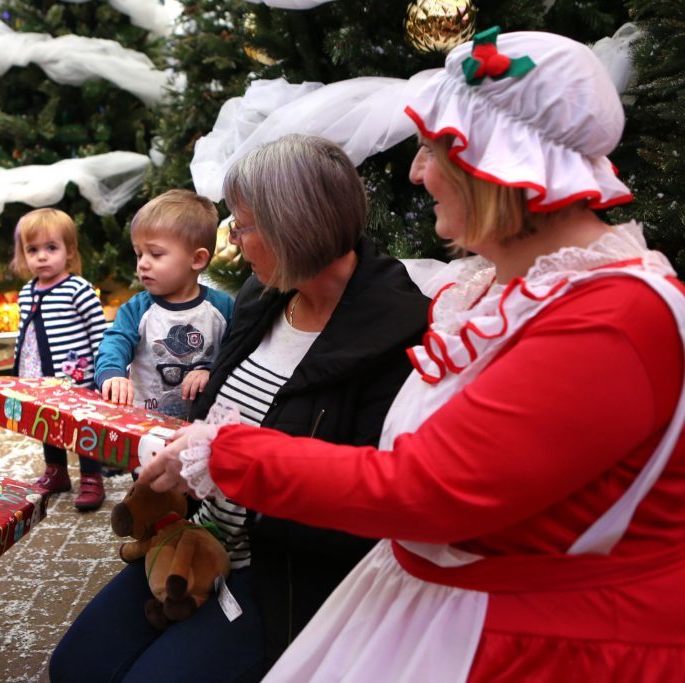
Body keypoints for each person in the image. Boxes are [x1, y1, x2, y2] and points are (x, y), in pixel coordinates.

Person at [141, 28, 685, 681]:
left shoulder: (607, 320)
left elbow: (427, 488)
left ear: (496, 161)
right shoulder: (508, 296)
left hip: (538, 643)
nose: (416, 171)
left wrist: (223, 452)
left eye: (433, 148)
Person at [50, 134, 429, 681]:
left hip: (283, 575)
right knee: (76, 666)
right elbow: (213, 419)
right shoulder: (263, 297)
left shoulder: (393, 339)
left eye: (243, 226)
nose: (236, 242)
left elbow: (367, 512)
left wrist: (230, 470)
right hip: (196, 538)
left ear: (292, 225)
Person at [95, 189, 234, 420]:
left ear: (197, 259)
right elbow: (115, 342)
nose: (143, 265)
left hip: (201, 427)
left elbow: (235, 353)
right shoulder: (137, 309)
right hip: (144, 423)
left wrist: (211, 371)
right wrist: (112, 374)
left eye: (156, 254)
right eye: (139, 254)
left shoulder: (222, 308)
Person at [11, 208, 110, 510]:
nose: (42, 256)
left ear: (69, 252)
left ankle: (92, 476)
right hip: (40, 374)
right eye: (33, 249)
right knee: (46, 423)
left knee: (80, 425)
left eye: (51, 248)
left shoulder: (77, 290)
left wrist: (104, 371)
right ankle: (56, 471)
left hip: (76, 376)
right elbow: (23, 332)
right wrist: (19, 370)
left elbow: (98, 331)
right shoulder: (27, 291)